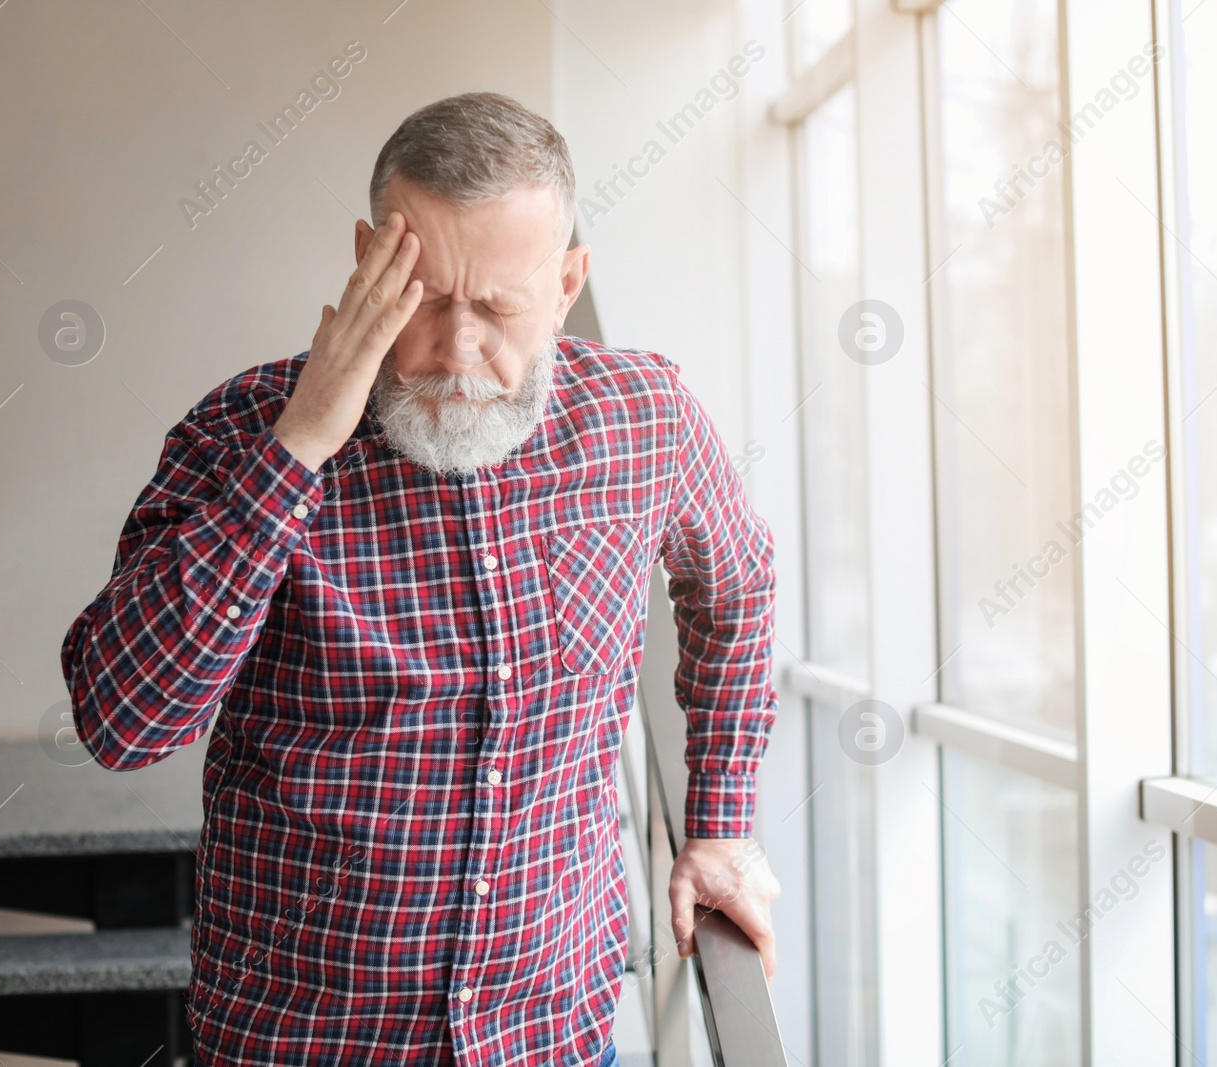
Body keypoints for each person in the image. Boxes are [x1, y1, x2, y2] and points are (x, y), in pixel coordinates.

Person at [61, 91, 781, 1066]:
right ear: (368, 259)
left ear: (567, 283)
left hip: (548, 1033)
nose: (456, 348)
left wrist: (721, 822)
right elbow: (124, 722)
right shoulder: (238, 428)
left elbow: (735, 587)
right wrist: (300, 445)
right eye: (424, 297)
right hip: (298, 1040)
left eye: (496, 306)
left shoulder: (646, 420)